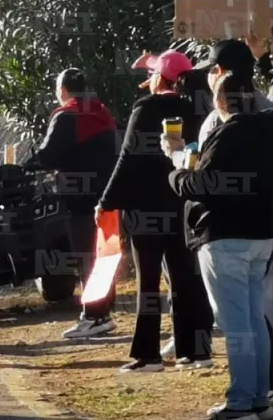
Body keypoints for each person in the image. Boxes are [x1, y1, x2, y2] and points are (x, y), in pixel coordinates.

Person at [166, 72, 273, 420]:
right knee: (254, 320)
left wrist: (176, 167)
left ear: (220, 101)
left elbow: (204, 185)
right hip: (262, 236)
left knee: (236, 323)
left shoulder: (227, 135)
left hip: (226, 236)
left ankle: (242, 401)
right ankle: (258, 397)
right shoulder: (266, 131)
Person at [98, 50, 213, 373]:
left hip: (145, 208)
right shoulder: (194, 108)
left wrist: (106, 201)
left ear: (159, 77)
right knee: (185, 278)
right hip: (182, 203)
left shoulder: (145, 108)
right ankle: (196, 352)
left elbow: (128, 159)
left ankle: (148, 355)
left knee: (148, 282)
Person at [19, 68, 120, 340]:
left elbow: (49, 155)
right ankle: (104, 311)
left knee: (86, 258)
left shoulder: (66, 116)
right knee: (103, 257)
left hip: (79, 200)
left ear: (62, 90)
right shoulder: (102, 113)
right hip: (107, 196)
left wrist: (31, 161)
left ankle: (93, 316)